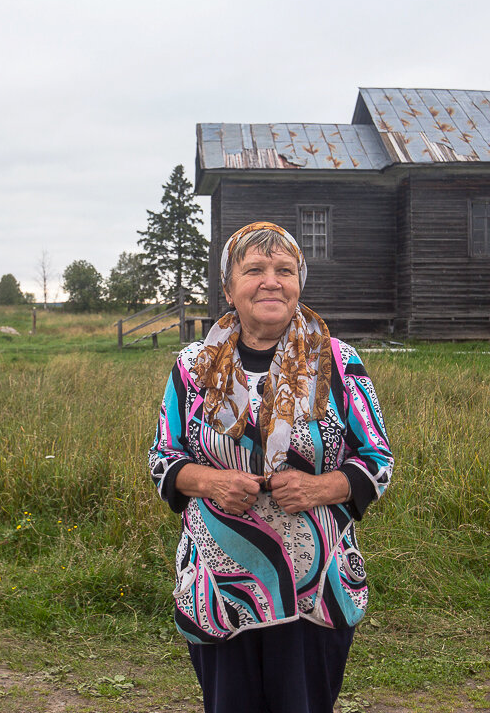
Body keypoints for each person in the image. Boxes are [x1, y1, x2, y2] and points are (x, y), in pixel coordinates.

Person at [148, 221, 393, 713]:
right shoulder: (192, 367)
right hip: (219, 585)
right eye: (254, 269)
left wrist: (320, 488)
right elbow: (163, 460)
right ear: (228, 287)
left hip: (314, 587)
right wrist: (211, 481)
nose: (271, 281)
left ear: (299, 283)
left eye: (285, 270)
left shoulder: (338, 363)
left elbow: (377, 461)